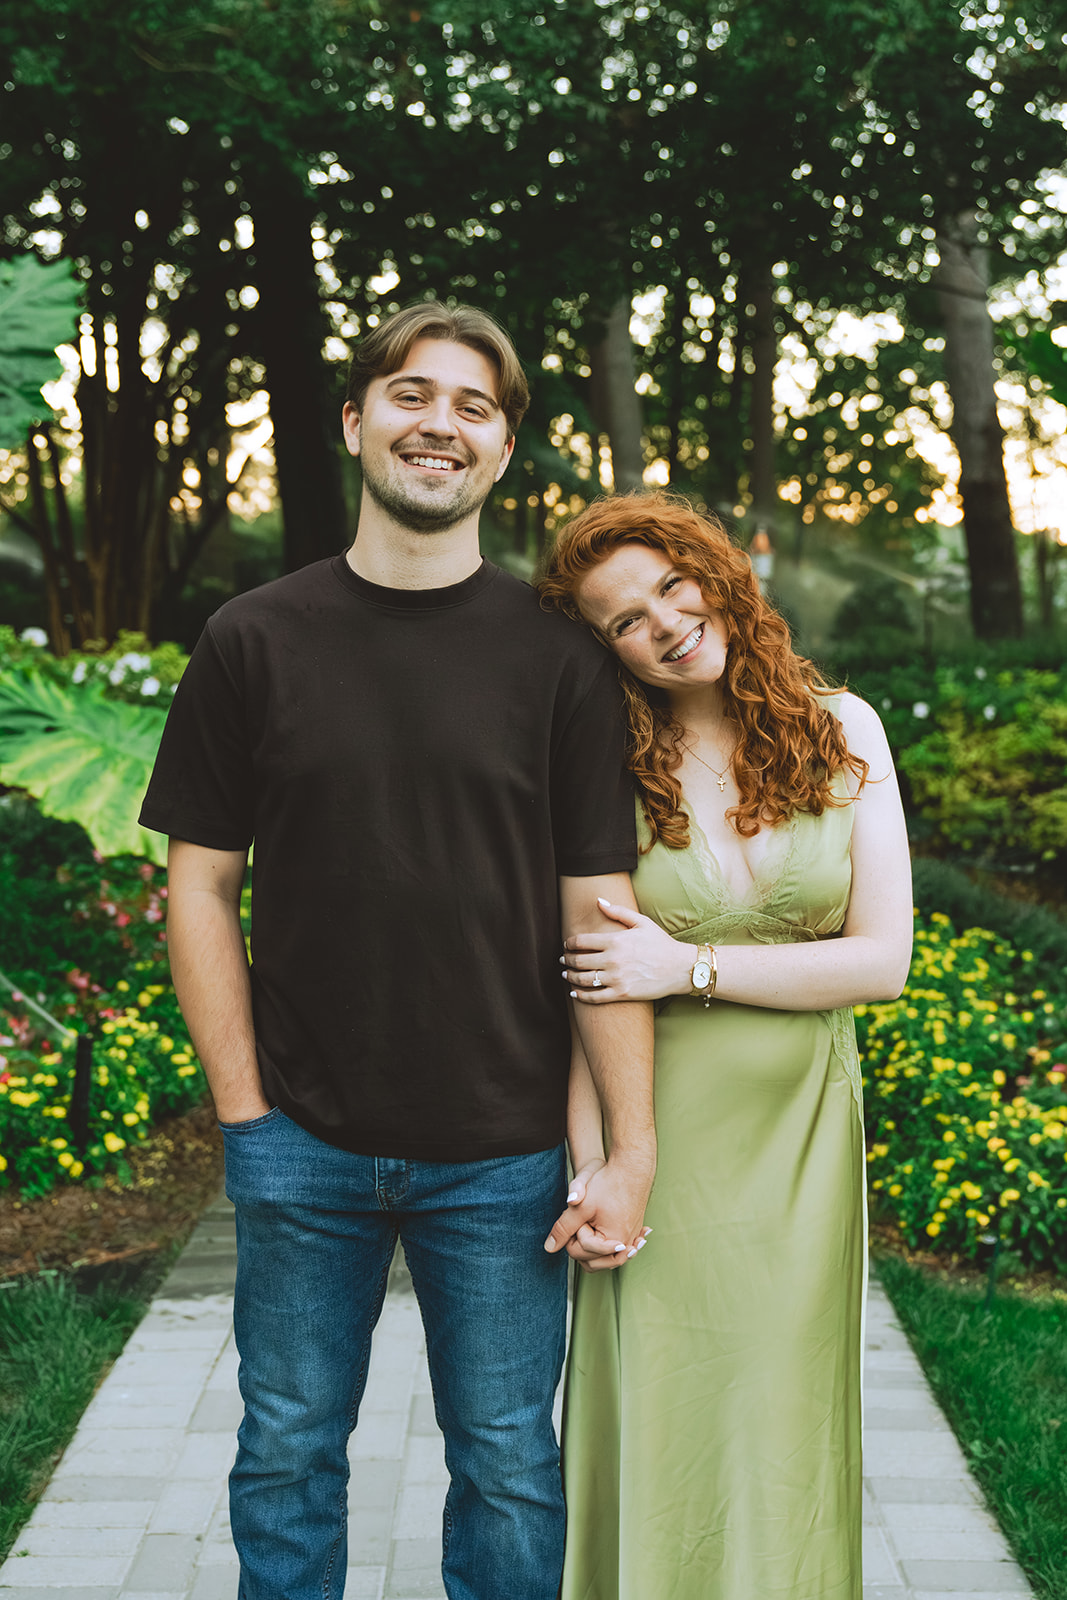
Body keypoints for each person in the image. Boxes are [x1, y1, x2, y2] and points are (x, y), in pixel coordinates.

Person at [139, 301, 656, 1600]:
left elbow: (596, 915)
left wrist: (624, 1151)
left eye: (473, 406)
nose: (440, 423)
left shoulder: (558, 662)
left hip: (501, 1153)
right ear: (356, 419)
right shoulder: (251, 640)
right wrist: (244, 1112)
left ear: (503, 451)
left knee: (504, 1464)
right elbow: (198, 888)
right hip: (299, 1141)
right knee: (287, 1453)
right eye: (412, 395)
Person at [538, 491, 913, 1600]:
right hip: (657, 1131)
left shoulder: (843, 729)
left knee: (778, 1418)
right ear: (602, 649)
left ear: (713, 572)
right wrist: (596, 1163)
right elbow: (586, 984)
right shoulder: (603, 754)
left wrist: (690, 966)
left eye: (668, 584)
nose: (659, 620)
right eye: (621, 619)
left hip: (796, 1139)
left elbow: (878, 961)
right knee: (656, 1411)